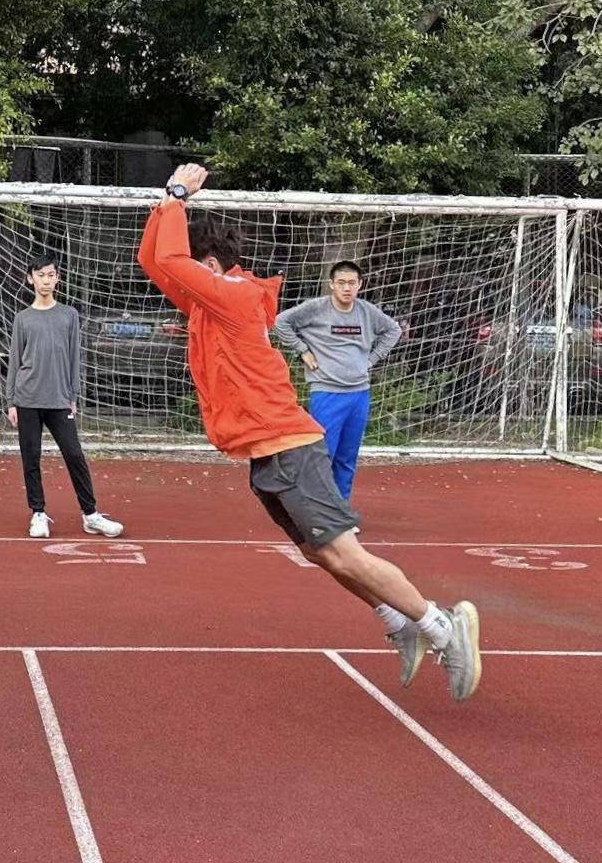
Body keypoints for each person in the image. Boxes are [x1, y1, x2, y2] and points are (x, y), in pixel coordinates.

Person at [136, 163, 481, 700]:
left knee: (345, 553)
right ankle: (396, 618)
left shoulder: (231, 296)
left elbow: (167, 259)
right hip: (266, 451)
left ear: (210, 265)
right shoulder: (209, 304)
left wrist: (179, 194)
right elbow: (152, 260)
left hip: (289, 445)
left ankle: (442, 626)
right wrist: (166, 202)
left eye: (193, 269)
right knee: (319, 554)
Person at [9, 257, 125, 539]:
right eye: (41, 275)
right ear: (30, 279)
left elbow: (74, 357)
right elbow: (15, 360)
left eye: (51, 275)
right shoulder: (22, 319)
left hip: (60, 399)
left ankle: (91, 515)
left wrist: (72, 394)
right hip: (28, 398)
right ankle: (38, 514)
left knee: (74, 454)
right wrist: (11, 401)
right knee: (31, 458)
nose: (46, 280)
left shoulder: (69, 315)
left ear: (57, 279)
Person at [274, 260, 402, 500]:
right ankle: (317, 509)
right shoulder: (316, 308)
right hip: (327, 392)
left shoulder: (366, 311)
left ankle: (340, 510)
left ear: (360, 285)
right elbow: (281, 322)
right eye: (341, 283)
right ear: (331, 284)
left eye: (352, 283)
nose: (347, 288)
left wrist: (371, 359)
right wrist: (302, 350)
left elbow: (393, 330)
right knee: (324, 455)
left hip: (359, 394)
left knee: (347, 456)